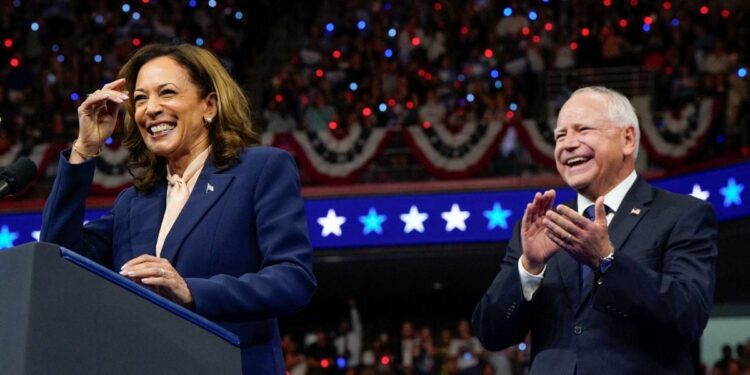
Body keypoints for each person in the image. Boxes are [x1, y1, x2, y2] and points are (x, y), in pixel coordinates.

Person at [40, 43, 316, 374]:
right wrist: (85, 148)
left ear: (209, 106)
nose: (150, 109)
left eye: (166, 93)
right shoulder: (133, 203)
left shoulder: (261, 170)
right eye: (140, 99)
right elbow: (57, 256)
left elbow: (292, 280)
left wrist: (191, 291)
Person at [472, 86, 717, 374]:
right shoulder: (541, 228)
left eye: (583, 130)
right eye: (560, 136)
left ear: (627, 139)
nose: (568, 144)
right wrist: (530, 268)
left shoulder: (682, 215)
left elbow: (688, 316)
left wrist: (607, 261)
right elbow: (491, 333)